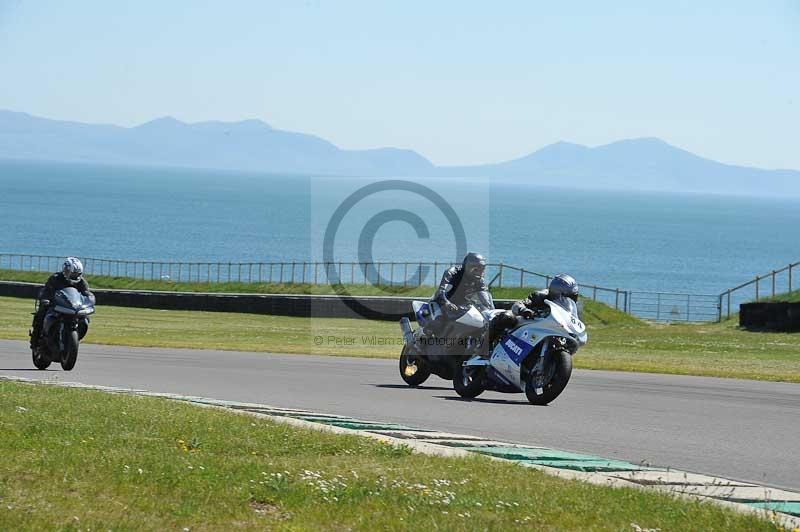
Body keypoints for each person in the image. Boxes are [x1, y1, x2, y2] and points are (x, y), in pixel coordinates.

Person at [485, 274, 580, 349]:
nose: (570, 300)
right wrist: (525, 310)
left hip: (550, 330)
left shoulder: (569, 311)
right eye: (568, 297)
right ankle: (485, 348)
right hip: (527, 324)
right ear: (557, 293)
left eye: (573, 297)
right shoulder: (539, 296)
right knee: (506, 317)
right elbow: (518, 304)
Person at [29, 257, 92, 349]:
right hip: (56, 305)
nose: (74, 276)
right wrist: (46, 299)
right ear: (66, 269)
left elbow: (87, 294)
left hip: (73, 308)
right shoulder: (55, 278)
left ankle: (75, 337)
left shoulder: (82, 282)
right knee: (41, 312)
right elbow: (47, 290)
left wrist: (89, 302)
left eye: (77, 274)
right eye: (73, 273)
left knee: (85, 317)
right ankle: (35, 338)